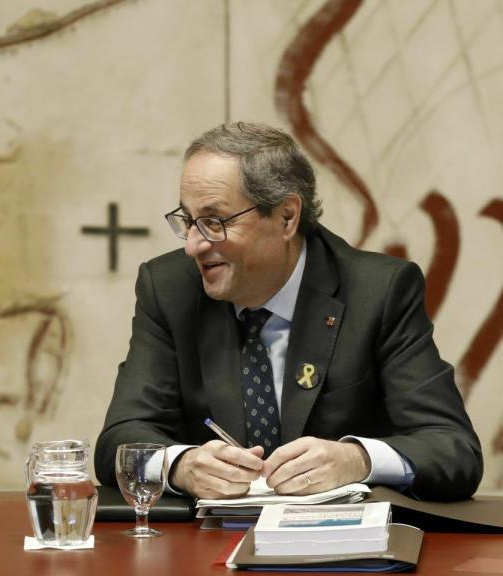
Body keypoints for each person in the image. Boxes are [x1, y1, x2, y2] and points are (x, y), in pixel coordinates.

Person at [95, 122, 482, 501]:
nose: (194, 245)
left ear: (286, 217)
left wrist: (358, 459)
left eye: (214, 222)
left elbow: (454, 450)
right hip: (210, 544)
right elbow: (119, 441)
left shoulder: (378, 291)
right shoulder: (169, 288)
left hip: (341, 547)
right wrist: (179, 465)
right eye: (189, 221)